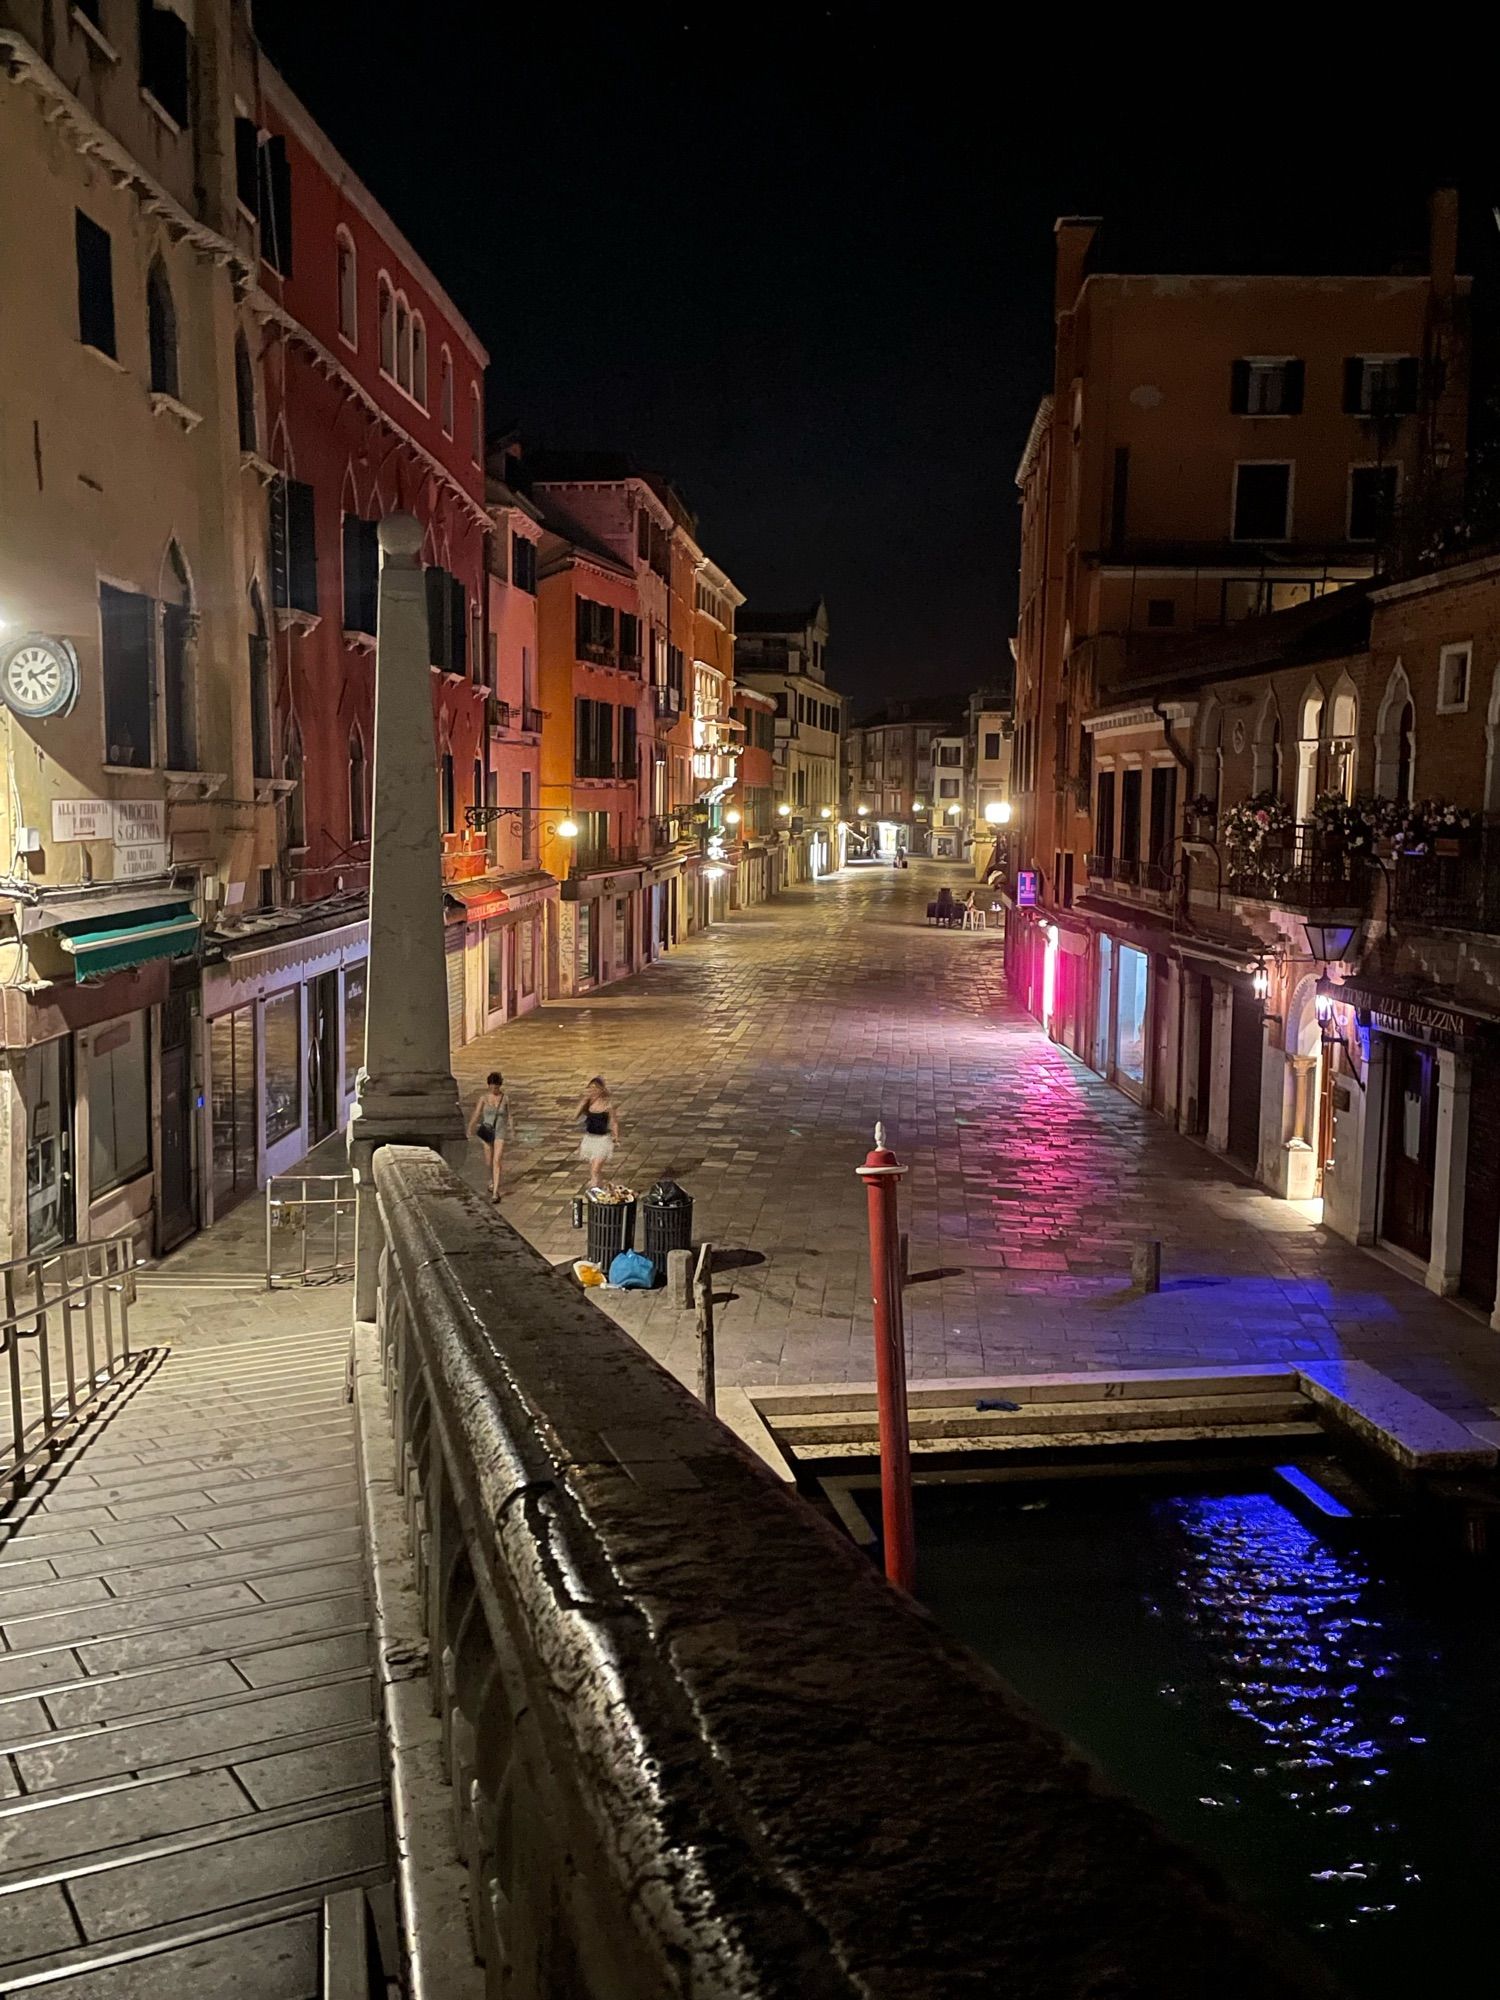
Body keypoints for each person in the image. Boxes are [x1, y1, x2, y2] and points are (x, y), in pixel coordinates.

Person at [466, 1072, 510, 1202]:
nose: (494, 1090)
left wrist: (511, 1129)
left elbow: (509, 1115)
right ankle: (491, 1179)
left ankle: (496, 1192)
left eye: (496, 1087)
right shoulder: (483, 1098)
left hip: (500, 1131)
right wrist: (470, 1127)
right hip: (486, 1131)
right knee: (488, 1160)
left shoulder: (505, 1098)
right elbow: (476, 1113)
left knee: (497, 1160)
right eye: (492, 1087)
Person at [577, 1076, 619, 1188]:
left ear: (601, 1089)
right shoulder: (589, 1102)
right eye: (591, 1088)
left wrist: (616, 1136)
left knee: (595, 1169)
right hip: (590, 1139)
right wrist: (583, 1102)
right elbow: (574, 1115)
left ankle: (594, 1186)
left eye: (595, 1088)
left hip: (603, 1140)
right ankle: (598, 1185)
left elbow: (614, 1122)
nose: (593, 1091)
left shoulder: (608, 1105)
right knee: (594, 1169)